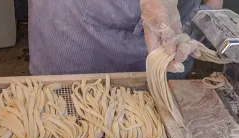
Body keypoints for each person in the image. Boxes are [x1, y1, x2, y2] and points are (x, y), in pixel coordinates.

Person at [28, 0, 223, 79]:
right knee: (61, 110)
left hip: (171, 21)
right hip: (74, 24)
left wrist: (209, 12)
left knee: (156, 119)